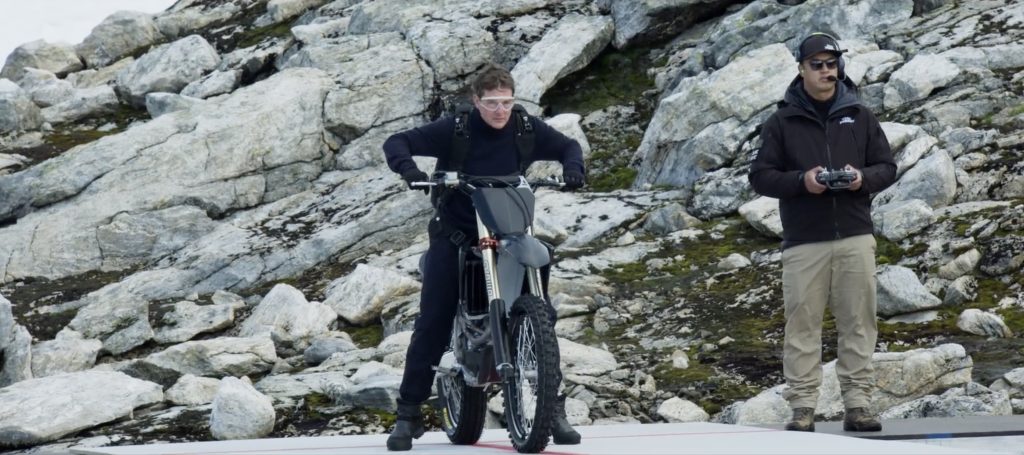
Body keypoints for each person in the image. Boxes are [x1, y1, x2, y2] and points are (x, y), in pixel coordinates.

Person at [382, 63, 586, 451]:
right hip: (456, 234)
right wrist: (409, 171)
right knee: (433, 320)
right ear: (476, 101)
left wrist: (573, 169)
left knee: (542, 313)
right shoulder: (455, 129)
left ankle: (551, 407)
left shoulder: (525, 128)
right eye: (491, 103)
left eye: (506, 102)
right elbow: (397, 142)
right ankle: (408, 415)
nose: (499, 111)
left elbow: (567, 147)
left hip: (509, 234)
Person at [748, 32, 897, 433]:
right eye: (817, 64)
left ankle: (859, 405)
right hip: (804, 241)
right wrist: (803, 181)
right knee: (802, 325)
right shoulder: (781, 121)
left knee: (859, 323)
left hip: (854, 234)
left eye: (832, 64)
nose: (826, 71)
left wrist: (859, 179)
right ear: (801, 69)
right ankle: (802, 408)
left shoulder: (860, 115)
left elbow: (887, 167)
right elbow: (760, 177)